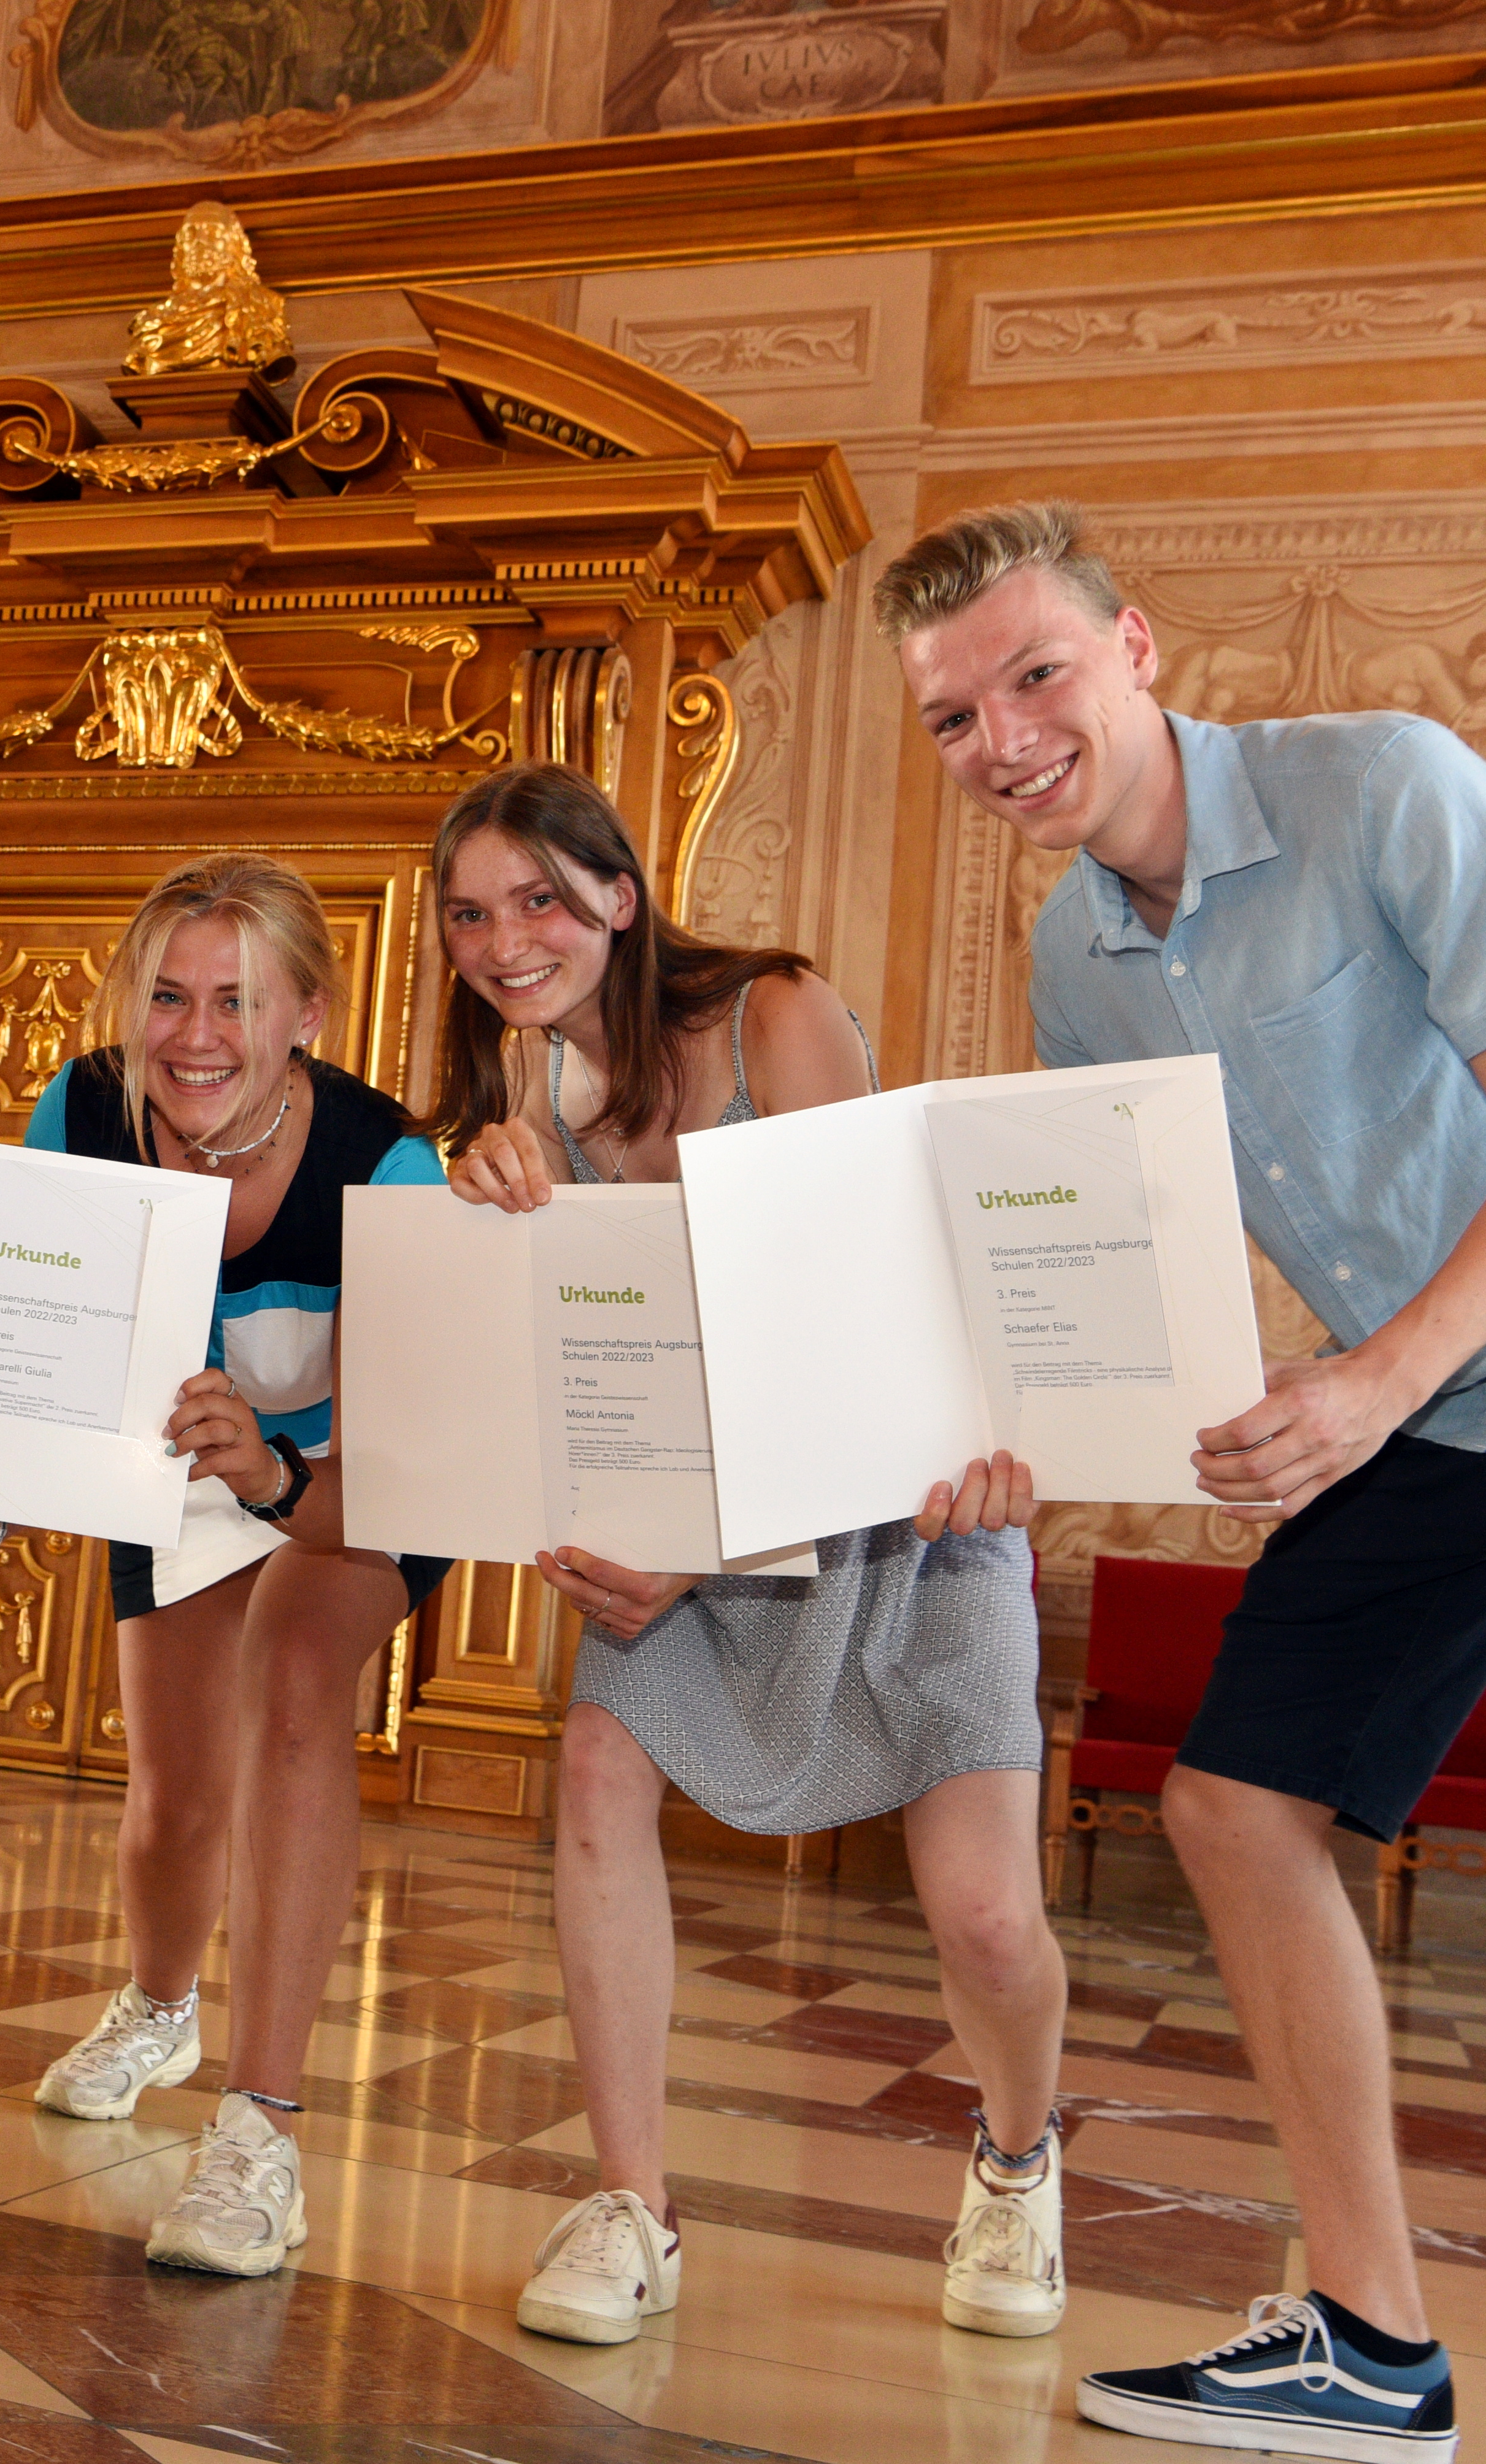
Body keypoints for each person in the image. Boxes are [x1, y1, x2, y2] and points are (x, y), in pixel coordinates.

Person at [882, 500, 1486, 2464]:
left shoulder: (1390, 787)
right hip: (1437, 1403)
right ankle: (1373, 2347)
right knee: (1232, 1807)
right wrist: (1042, 1437)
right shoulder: (1077, 952)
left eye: (1034, 675)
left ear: (1137, 648)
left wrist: (1367, 1390)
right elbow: (1118, 1261)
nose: (1006, 739)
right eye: (955, 720)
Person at [428, 762, 1072, 2348]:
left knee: (986, 1912)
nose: (508, 941)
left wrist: (700, 1559)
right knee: (592, 1775)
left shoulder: (771, 1016)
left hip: (898, 1511)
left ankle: (1016, 2163)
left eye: (540, 900)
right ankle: (634, 2205)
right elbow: (550, 1383)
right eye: (470, 914)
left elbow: (855, 1315)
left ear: (621, 899)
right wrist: (482, 1213)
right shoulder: (531, 1120)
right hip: (692, 1530)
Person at [0, 852, 448, 2277]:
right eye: (167, 997)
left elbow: (409, 1439)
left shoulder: (388, 1165)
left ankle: (258, 2129)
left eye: (234, 1002)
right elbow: (33, 1349)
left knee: (297, 1686)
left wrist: (277, 1470)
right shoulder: (77, 1110)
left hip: (348, 1475)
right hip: (175, 1463)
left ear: (304, 1012)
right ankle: (159, 2001)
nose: (193, 1035)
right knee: (172, 1797)